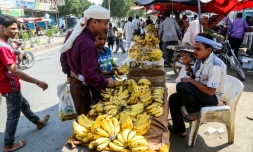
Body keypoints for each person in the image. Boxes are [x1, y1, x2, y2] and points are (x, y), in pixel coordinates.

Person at [0, 14, 50, 152]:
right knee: (13, 116)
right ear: (2, 28)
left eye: (17, 28)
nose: (16, 31)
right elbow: (14, 71)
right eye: (12, 28)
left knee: (23, 105)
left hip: (7, 85)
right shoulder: (3, 47)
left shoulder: (5, 44)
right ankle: (8, 145)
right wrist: (37, 82)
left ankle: (37, 122)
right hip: (10, 86)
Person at [169, 33, 227, 137]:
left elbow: (210, 91)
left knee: (182, 86)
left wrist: (190, 81)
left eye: (198, 49)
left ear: (209, 50)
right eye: (194, 48)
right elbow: (195, 77)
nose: (194, 51)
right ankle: (180, 130)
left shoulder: (215, 65)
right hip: (200, 93)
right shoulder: (200, 60)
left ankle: (195, 112)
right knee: (173, 99)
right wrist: (187, 64)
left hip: (211, 97)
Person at [60, 5, 114, 115]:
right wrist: (106, 82)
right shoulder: (88, 44)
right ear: (94, 22)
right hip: (84, 89)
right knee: (88, 121)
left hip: (75, 84)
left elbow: (63, 58)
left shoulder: (72, 34)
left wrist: (69, 74)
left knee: (81, 117)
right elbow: (90, 75)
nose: (106, 27)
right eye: (105, 23)